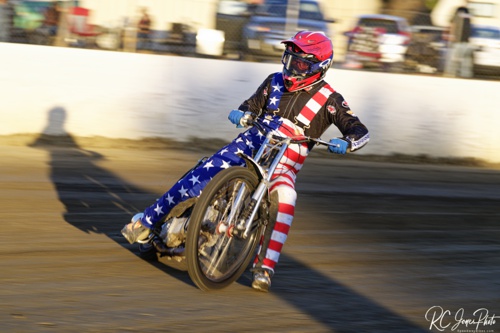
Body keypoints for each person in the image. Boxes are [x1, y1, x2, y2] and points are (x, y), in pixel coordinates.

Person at [122, 31, 370, 292]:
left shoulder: (330, 99)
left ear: (320, 67)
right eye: (290, 60)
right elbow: (251, 105)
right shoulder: (273, 81)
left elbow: (360, 130)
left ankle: (265, 267)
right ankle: (146, 222)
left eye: (300, 64)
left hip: (286, 159)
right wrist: (243, 114)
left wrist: (348, 142)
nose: (292, 68)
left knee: (286, 197)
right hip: (251, 142)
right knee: (202, 173)